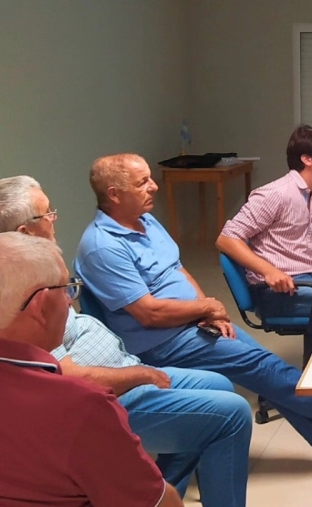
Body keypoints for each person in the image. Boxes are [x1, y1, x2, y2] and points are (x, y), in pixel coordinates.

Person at [74, 153, 312, 470]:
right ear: (114, 195)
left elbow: (178, 270)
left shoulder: (144, 220)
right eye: (142, 182)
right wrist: (204, 307)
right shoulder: (103, 246)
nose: (153, 187)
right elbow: (148, 313)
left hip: (190, 322)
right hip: (160, 341)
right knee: (263, 366)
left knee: (265, 373)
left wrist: (207, 311)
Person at [0, 175, 252, 506]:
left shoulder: (27, 283)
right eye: (67, 290)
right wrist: (143, 374)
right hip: (120, 386)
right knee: (234, 410)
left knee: (219, 385)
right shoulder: (29, 294)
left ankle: (157, 473)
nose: (54, 219)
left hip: (125, 366)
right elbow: (69, 380)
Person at [0, 232, 184, 507]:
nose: (70, 301)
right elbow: (157, 503)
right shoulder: (80, 406)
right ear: (39, 306)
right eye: (66, 289)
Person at [217, 125, 312, 323]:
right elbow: (226, 239)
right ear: (307, 159)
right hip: (277, 292)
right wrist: (269, 271)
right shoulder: (275, 194)